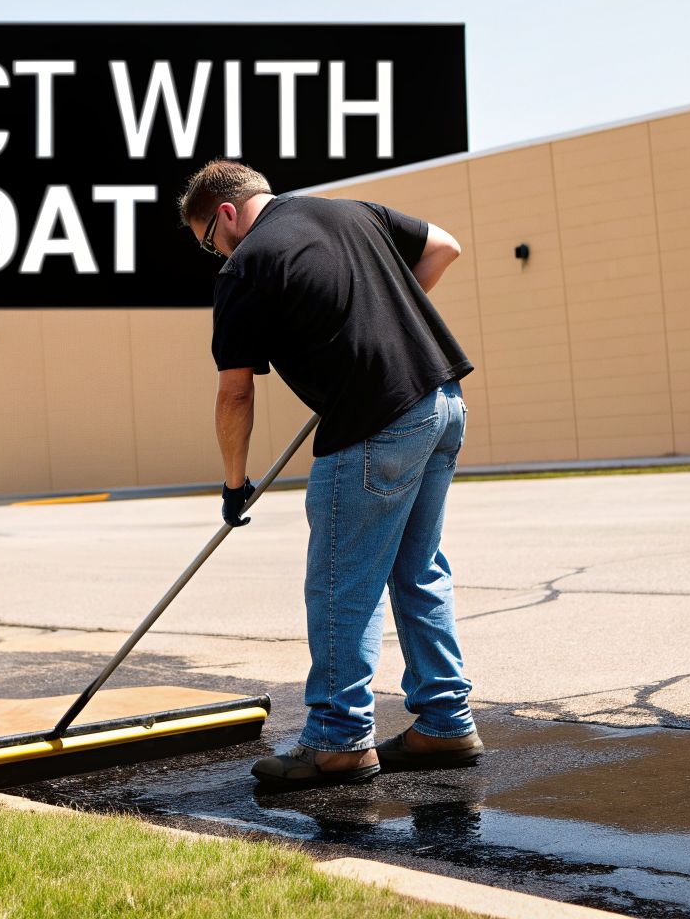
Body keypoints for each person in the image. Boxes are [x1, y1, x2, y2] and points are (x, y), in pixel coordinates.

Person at [180, 160, 484, 788]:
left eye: (208, 238)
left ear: (228, 213)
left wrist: (234, 483)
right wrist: (380, 326)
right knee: (416, 570)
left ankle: (338, 739)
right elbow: (444, 246)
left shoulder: (246, 267)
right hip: (441, 401)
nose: (215, 253)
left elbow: (235, 393)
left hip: (376, 422)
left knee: (341, 583)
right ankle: (445, 723)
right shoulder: (354, 212)